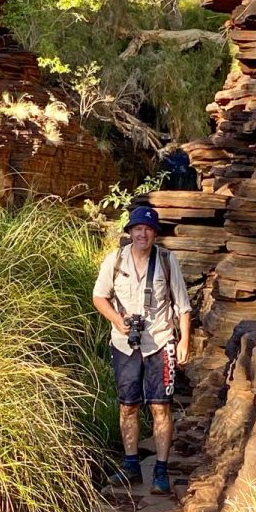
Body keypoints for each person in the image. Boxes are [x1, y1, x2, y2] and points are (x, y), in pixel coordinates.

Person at [92, 203, 192, 495]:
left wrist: (183, 341)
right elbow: (99, 297)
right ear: (130, 232)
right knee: (128, 405)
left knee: (161, 406)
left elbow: (183, 306)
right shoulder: (115, 261)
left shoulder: (166, 261)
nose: (143, 234)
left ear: (154, 234)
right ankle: (131, 464)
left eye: (148, 229)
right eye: (138, 229)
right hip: (124, 344)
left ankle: (161, 469)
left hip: (160, 342)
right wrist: (117, 320)